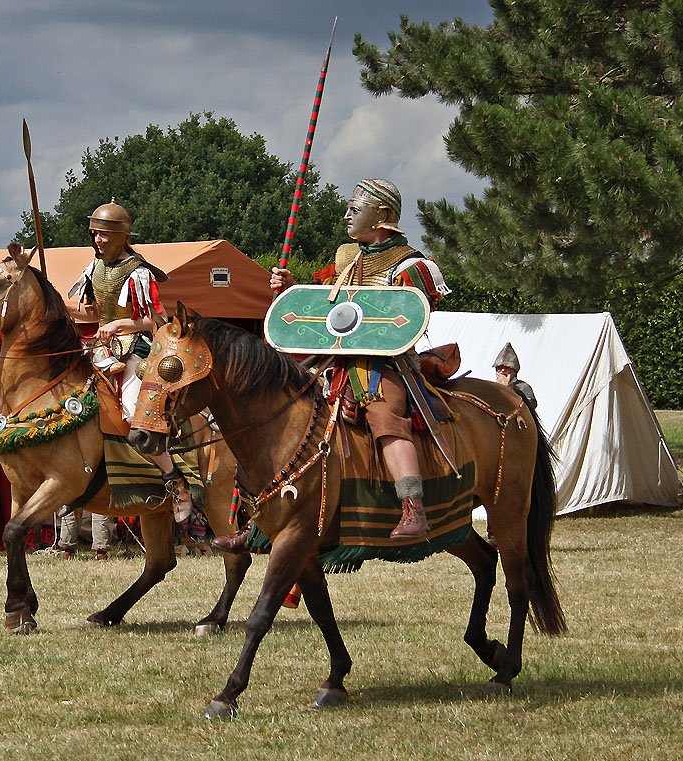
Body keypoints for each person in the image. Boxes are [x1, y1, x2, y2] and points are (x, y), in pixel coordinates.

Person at [214, 178, 451, 553]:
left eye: (356, 210)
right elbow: (331, 309)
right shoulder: (348, 260)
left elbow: (409, 317)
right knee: (281, 414)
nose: (346, 215)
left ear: (382, 217)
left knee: (384, 419)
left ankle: (413, 507)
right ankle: (261, 522)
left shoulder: (413, 265)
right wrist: (294, 289)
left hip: (384, 364)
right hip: (334, 361)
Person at [66, 200, 195, 522]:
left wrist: (120, 325)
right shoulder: (93, 270)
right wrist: (59, 307)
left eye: (104, 236)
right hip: (100, 349)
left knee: (134, 408)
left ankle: (173, 480)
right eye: (94, 234)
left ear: (122, 237)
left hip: (136, 347)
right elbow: (93, 314)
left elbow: (157, 322)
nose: (98, 241)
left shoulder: (138, 273)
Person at [493, 342, 537, 411]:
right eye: (500, 367)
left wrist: (506, 387)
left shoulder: (522, 386)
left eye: (507, 367)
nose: (503, 370)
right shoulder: (492, 387)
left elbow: (529, 407)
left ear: (513, 370)